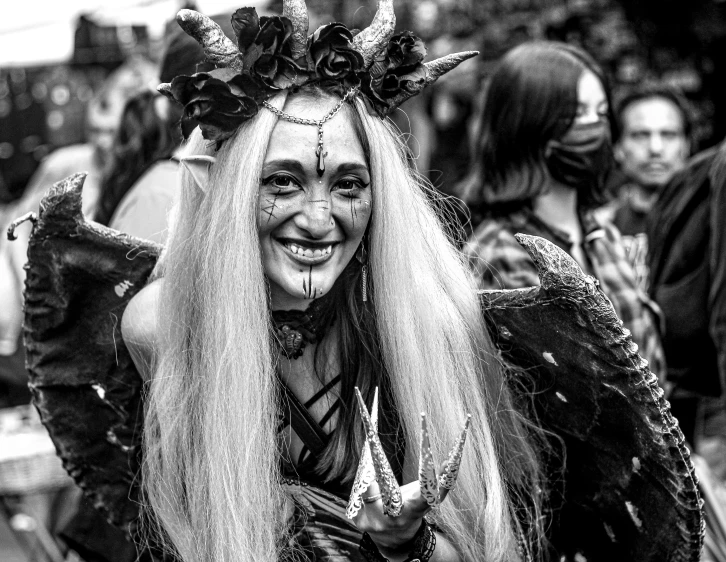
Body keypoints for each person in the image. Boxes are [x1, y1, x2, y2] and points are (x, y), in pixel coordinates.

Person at [119, 5, 543, 562]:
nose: (319, 220)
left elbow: (488, 548)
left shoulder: (426, 330)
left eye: (348, 185)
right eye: (283, 182)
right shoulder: (163, 327)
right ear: (226, 189)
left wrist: (404, 540)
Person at [460, 41, 665, 384]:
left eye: (600, 113)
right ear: (527, 124)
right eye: (576, 114)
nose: (595, 128)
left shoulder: (605, 236)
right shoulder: (496, 254)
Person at [598, 84, 691, 290]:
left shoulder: (709, 220)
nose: (655, 148)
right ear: (618, 148)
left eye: (668, 135)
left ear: (686, 145)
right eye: (640, 135)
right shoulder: (599, 229)